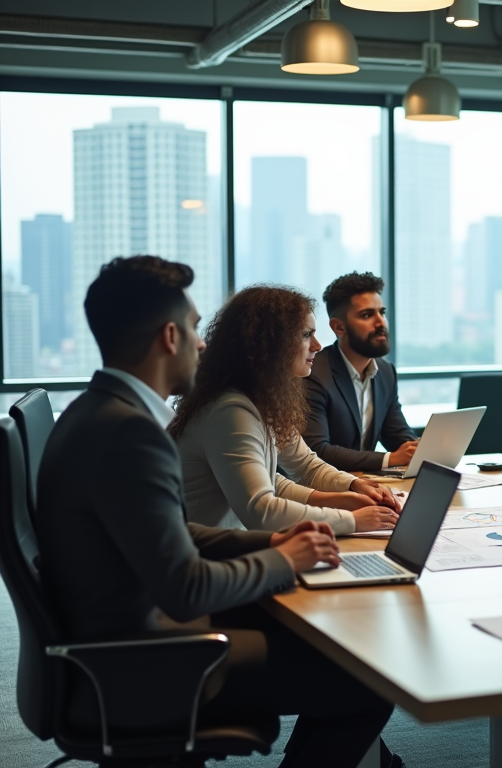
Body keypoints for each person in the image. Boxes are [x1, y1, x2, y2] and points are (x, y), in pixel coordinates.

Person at [35, 256, 396, 768]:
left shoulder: (97, 414)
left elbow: (177, 534)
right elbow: (186, 588)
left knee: (332, 645)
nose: (202, 342)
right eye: (192, 327)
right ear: (169, 337)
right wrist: (284, 560)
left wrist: (272, 544)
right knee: (368, 677)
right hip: (148, 660)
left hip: (127, 637)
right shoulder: (130, 435)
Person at [171, 285, 402, 536]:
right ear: (268, 343)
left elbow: (302, 468)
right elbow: (262, 511)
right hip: (207, 561)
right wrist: (351, 520)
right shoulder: (230, 411)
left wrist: (351, 488)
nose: (317, 345)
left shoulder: (261, 400)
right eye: (306, 335)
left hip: (231, 551)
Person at [303, 272, 419, 472]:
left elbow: (397, 435)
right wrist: (389, 459)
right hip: (324, 491)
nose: (381, 323)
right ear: (339, 327)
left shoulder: (385, 372)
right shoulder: (314, 374)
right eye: (367, 315)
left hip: (368, 487)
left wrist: (422, 449)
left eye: (382, 313)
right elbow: (317, 450)